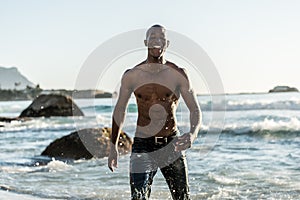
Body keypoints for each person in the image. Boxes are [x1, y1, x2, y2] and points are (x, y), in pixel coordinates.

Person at [108, 24, 201, 200]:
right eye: (152, 37)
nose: (157, 41)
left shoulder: (178, 74)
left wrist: (192, 134)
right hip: (143, 145)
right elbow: (120, 109)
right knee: (138, 197)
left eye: (161, 38)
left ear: (167, 43)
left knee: (182, 198)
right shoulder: (132, 75)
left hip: (171, 145)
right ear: (145, 42)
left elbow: (195, 109)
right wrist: (113, 146)